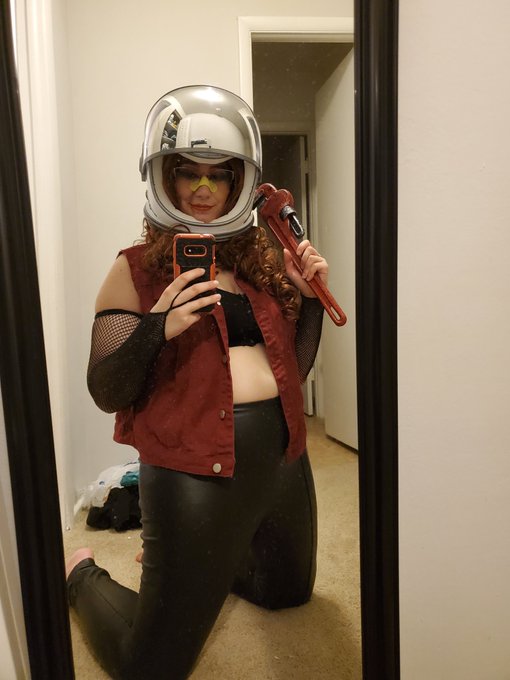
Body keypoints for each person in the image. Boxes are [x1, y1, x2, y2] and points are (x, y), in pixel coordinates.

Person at [66, 85, 328, 680]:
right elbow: (106, 389)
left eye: (219, 175)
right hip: (192, 468)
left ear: (238, 184)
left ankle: (208, 561)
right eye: (190, 173)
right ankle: (81, 574)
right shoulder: (134, 269)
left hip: (283, 457)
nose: (204, 188)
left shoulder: (258, 265)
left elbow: (292, 373)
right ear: (167, 177)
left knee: (287, 593)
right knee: (151, 666)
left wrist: (309, 299)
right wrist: (158, 326)